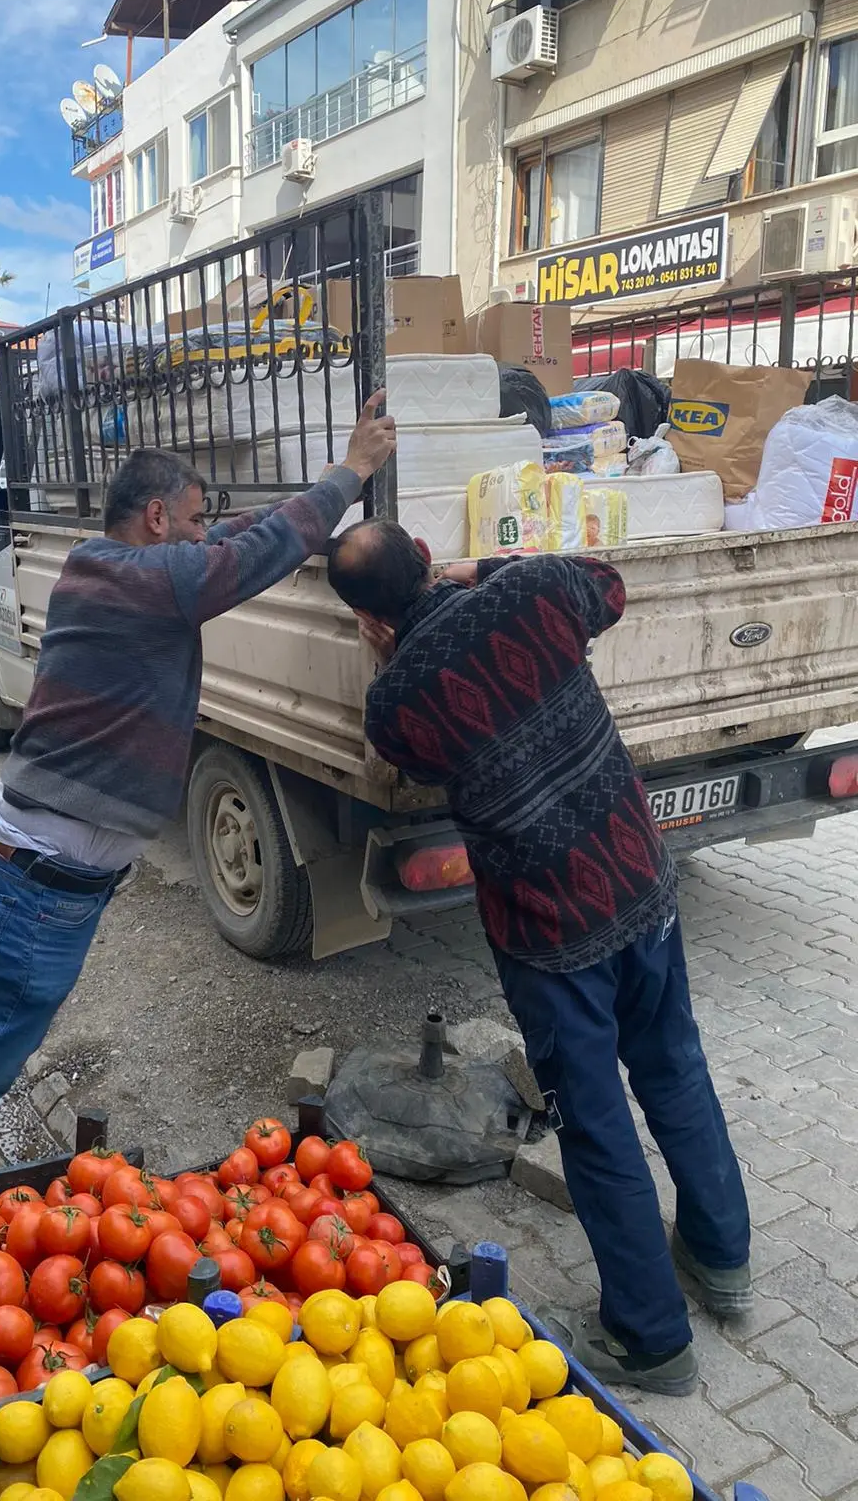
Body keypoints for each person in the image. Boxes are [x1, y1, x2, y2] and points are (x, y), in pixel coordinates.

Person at [0, 395, 396, 1292]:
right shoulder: (127, 577)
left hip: (37, 882)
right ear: (158, 516)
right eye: (195, 518)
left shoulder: (117, 573)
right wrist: (351, 472)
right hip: (31, 891)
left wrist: (322, 532)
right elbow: (237, 560)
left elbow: (231, 544)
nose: (202, 534)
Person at [326, 519, 751, 1396]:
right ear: (431, 559)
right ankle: (720, 1255)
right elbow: (612, 588)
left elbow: (403, 757)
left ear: (369, 621)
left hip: (550, 936)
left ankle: (651, 1339)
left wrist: (395, 648)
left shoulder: (396, 701)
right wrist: (487, 569)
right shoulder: (533, 592)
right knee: (675, 1069)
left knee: (596, 1126)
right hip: (639, 883)